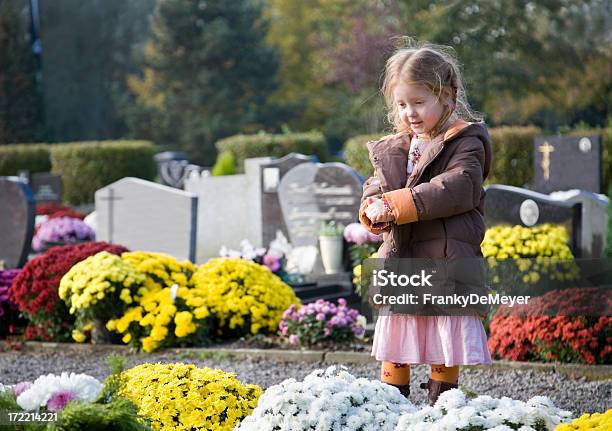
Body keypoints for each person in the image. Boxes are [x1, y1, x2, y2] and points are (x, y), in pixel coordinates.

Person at [358, 42, 492, 405]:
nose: (409, 113)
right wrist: (371, 206)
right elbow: (377, 185)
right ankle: (390, 402)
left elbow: (458, 187)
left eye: (419, 103)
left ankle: (442, 403)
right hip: (404, 256)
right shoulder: (396, 146)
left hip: (446, 256)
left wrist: (395, 204)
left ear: (446, 98)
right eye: (401, 105)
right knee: (398, 332)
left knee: (441, 332)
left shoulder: (466, 141)